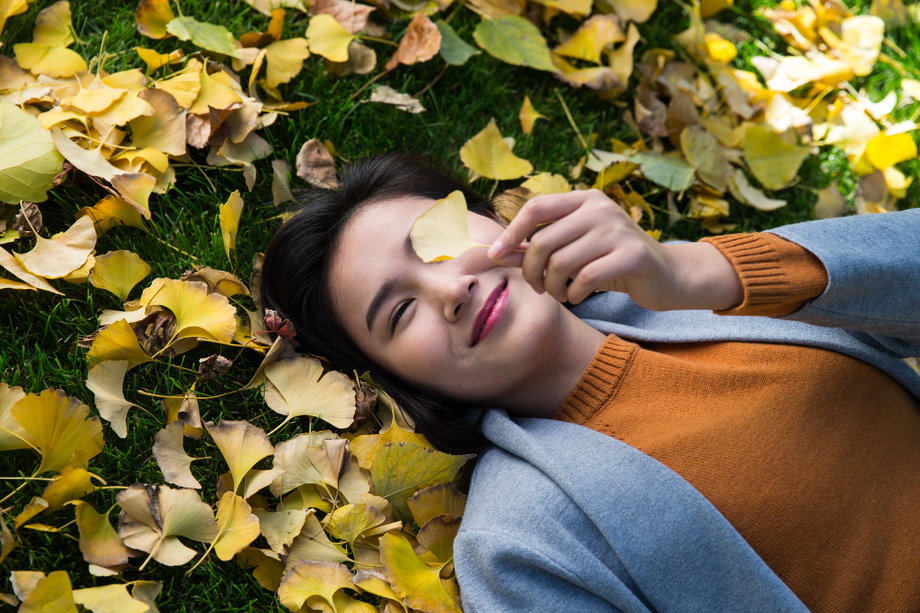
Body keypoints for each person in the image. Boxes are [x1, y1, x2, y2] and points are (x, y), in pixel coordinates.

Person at [261, 152, 920, 613]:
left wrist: (702, 271)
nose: (450, 287)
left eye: (439, 239)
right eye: (401, 313)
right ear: (406, 383)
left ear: (499, 221)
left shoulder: (703, 287)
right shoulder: (518, 546)